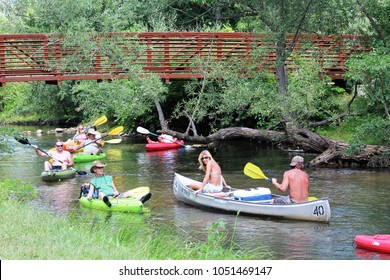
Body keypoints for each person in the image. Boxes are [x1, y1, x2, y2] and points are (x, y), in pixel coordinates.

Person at [86, 161, 152, 207]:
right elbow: (90, 193)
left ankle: (140, 200)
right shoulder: (93, 181)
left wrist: (116, 192)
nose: (101, 169)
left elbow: (115, 189)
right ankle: (107, 202)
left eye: (102, 167)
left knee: (129, 192)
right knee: (101, 193)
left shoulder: (109, 177)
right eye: (99, 168)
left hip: (114, 196)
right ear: (95, 170)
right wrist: (89, 196)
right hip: (103, 198)